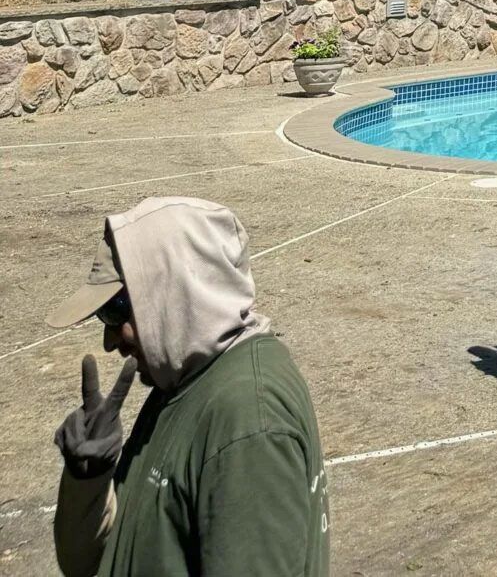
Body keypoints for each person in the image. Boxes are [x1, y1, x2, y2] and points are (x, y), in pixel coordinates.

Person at [47, 196, 329, 576]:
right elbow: (90, 563)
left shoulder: (249, 420)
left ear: (173, 291)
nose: (109, 342)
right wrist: (89, 480)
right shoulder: (183, 383)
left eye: (114, 312)